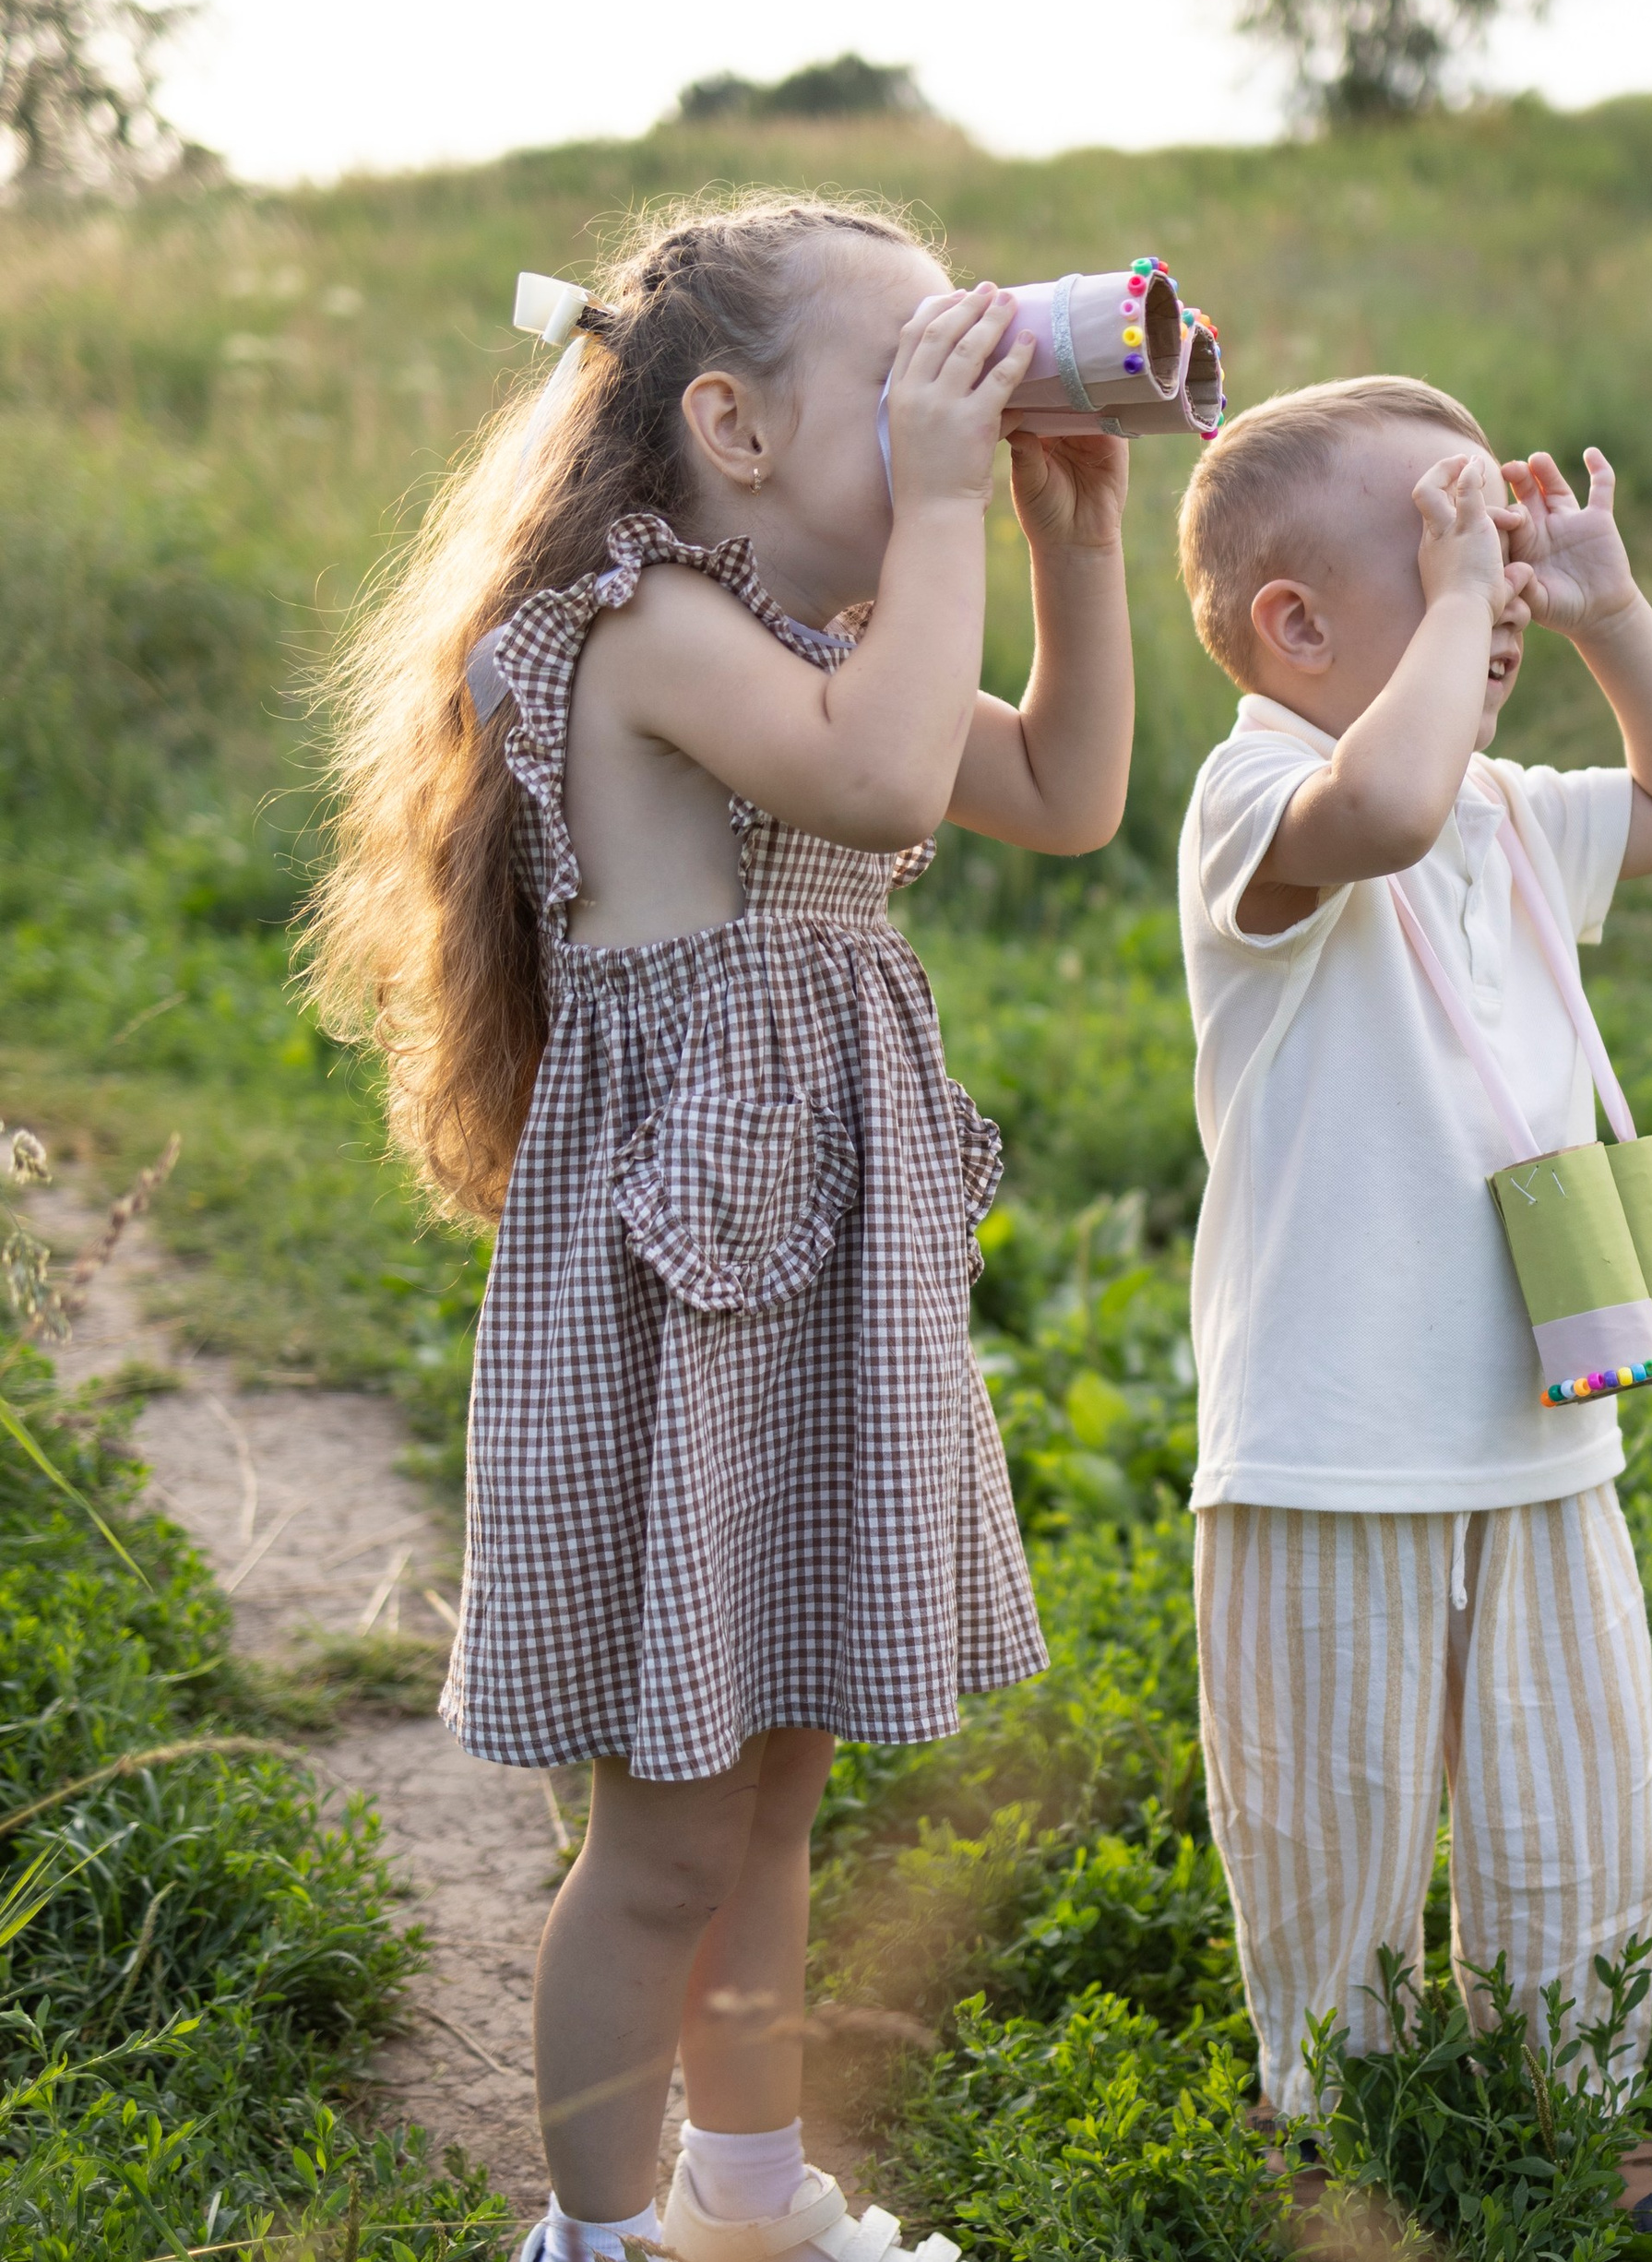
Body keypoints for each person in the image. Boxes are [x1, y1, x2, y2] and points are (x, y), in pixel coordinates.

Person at [305, 195, 1137, 2262]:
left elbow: (1064, 788)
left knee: (773, 1793)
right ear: (734, 430)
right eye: (906, 382)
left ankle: (744, 2200)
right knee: (667, 1839)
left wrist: (1070, 543)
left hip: (810, 1287)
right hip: (683, 1304)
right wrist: (947, 509)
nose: (948, 413)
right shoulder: (645, 630)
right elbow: (882, 786)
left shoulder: (824, 644)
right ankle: (591, 2239)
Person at [1174, 376, 1652, 2236]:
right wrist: (1454, 614)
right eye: (1440, 552)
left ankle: (1569, 2103)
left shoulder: (1502, 813)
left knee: (1572, 1803)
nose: (1489, 595)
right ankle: (1329, 2115)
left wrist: (1604, 608)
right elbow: (1382, 800)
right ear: (1295, 626)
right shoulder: (1261, 797)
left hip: (1534, 1429)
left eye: (1494, 558)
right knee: (1325, 1816)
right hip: (1326, 1447)